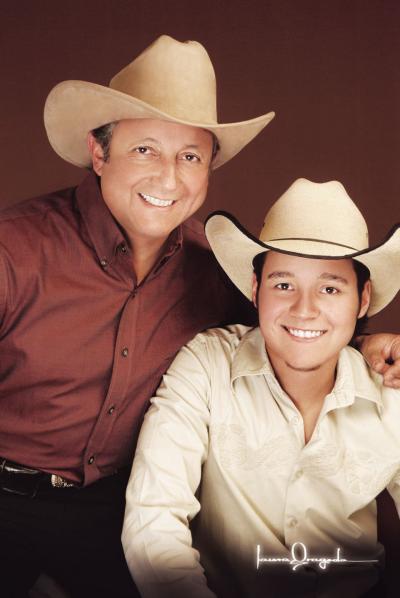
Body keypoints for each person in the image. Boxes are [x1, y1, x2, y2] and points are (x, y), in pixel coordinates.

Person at [0, 34, 397, 597]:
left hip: (107, 510)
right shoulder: (14, 252)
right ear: (98, 151)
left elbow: (297, 323)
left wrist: (367, 342)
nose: (169, 178)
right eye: (145, 150)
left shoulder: (210, 272)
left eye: (190, 156)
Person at [122, 178, 400, 598]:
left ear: (362, 301)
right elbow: (154, 522)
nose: (304, 310)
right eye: (283, 284)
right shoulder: (207, 364)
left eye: (329, 288)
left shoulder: (391, 387)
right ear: (256, 290)